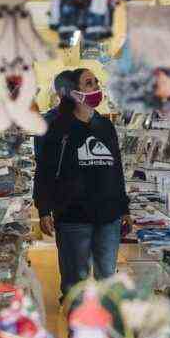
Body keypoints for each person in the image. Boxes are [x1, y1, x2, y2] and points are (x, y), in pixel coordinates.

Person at [34, 68, 132, 303]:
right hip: (72, 217)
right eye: (89, 83)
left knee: (107, 279)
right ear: (74, 92)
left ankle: (107, 333)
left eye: (96, 82)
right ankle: (76, 332)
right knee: (75, 282)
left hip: (108, 216)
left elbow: (116, 169)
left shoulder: (106, 126)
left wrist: (124, 207)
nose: (96, 86)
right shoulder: (57, 127)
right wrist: (44, 208)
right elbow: (45, 170)